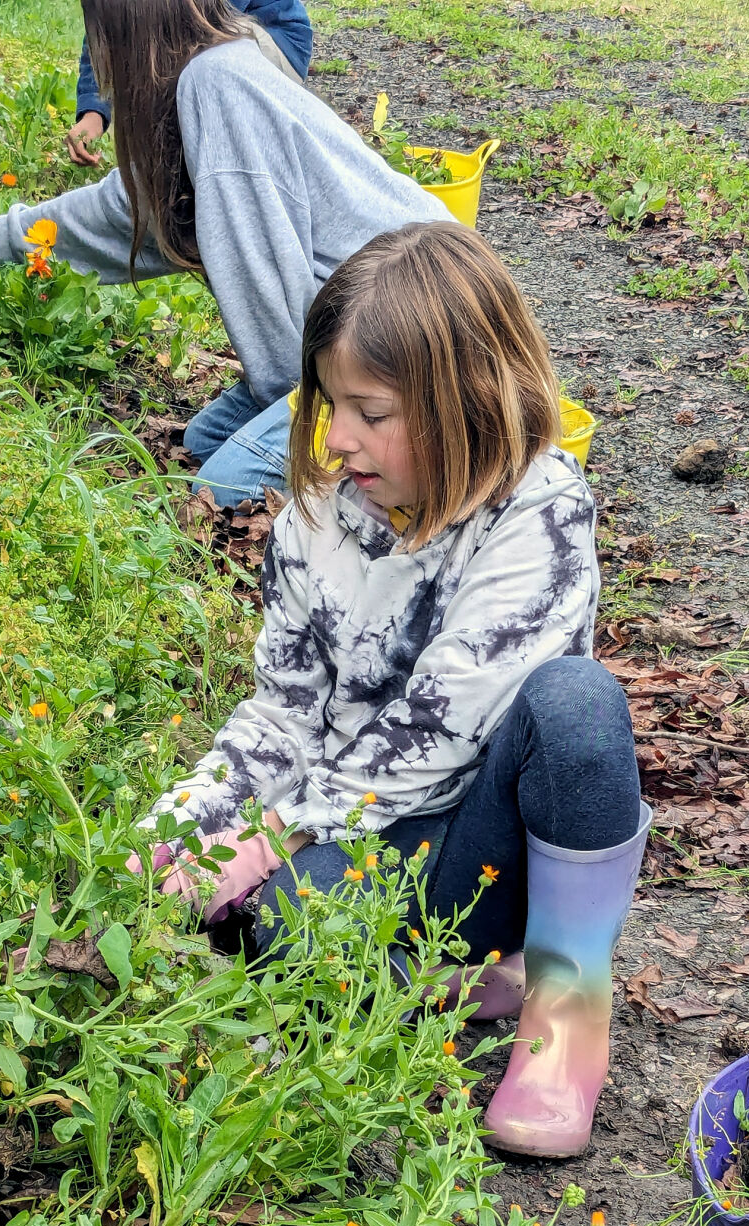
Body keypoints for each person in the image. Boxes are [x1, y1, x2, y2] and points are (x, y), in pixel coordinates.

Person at [142, 221, 651, 1160]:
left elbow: (444, 720)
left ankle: (565, 1007)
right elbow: (284, 708)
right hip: (376, 839)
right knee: (293, 925)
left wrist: (273, 834)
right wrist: (182, 829)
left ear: (466, 400)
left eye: (369, 411)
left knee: (579, 704)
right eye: (330, 405)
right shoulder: (316, 518)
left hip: (489, 839)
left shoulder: (538, 510)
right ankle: (447, 978)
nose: (337, 440)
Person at [0, 0, 449, 508]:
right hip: (350, 329)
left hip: (416, 317)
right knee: (201, 443)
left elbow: (267, 288)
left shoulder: (216, 84)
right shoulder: (195, 83)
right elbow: (113, 216)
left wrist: (308, 419)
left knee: (226, 488)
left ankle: (435, 461)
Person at [67, 0, 314, 167]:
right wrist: (93, 111)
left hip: (271, 34)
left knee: (175, 49)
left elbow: (197, 20)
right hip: (200, 34)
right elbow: (109, 20)